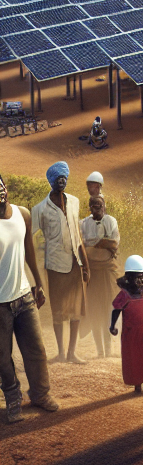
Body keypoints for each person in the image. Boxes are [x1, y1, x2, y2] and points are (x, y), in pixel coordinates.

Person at [0, 173, 58, 422]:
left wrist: (38, 283)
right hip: (0, 305)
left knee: (36, 349)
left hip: (24, 296)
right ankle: (13, 399)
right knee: (2, 357)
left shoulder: (23, 214)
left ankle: (40, 394)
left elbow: (28, 251)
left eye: (0, 183)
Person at [31, 161, 90, 365]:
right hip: (55, 265)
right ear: (51, 181)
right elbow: (30, 237)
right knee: (57, 309)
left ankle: (72, 352)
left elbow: (78, 235)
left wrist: (85, 265)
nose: (62, 181)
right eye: (58, 178)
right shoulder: (40, 209)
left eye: (64, 177)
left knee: (75, 308)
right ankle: (60, 353)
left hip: (75, 263)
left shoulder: (74, 201)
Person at [109, 255, 143, 394]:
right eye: (138, 277)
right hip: (131, 334)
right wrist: (112, 326)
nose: (141, 280)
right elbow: (116, 310)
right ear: (129, 278)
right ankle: (138, 385)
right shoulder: (124, 295)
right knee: (134, 358)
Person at [80, 196, 119, 359]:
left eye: (100, 206)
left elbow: (114, 243)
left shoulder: (111, 221)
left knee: (108, 306)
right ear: (90, 208)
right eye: (94, 206)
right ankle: (100, 351)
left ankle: (109, 349)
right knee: (94, 309)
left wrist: (98, 244)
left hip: (107, 269)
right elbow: (81, 246)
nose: (98, 209)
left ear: (104, 206)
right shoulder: (84, 223)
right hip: (92, 271)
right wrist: (102, 243)